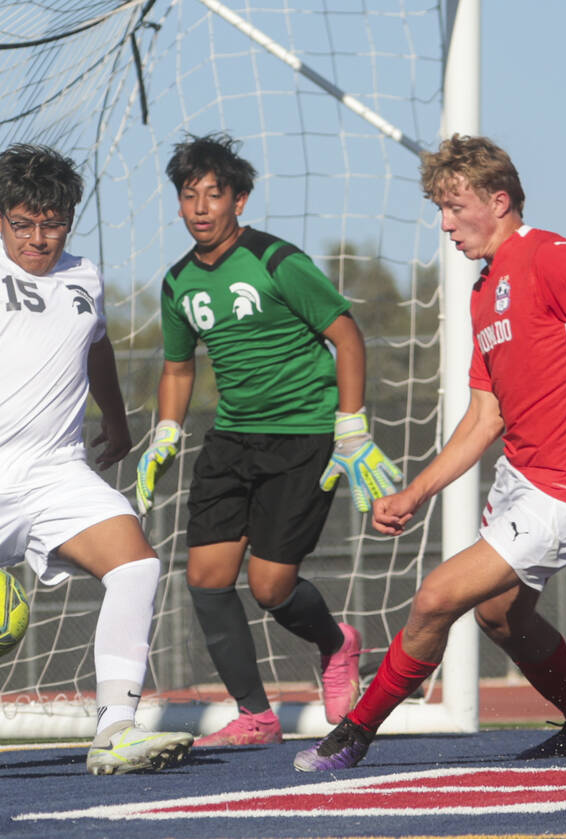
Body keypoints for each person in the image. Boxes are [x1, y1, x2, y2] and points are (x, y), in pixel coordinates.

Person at [294, 134, 566, 772]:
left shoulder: (552, 256)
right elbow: (483, 417)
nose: (444, 224)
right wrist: (415, 492)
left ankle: (354, 734)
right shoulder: (482, 290)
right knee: (499, 616)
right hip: (524, 477)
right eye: (438, 209)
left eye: (453, 207)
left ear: (499, 201)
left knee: (437, 597)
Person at [0, 143, 193, 776]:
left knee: (135, 566)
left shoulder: (83, 276)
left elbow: (96, 344)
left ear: (68, 221)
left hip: (55, 471)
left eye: (52, 224)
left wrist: (113, 414)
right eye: (23, 224)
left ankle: (115, 730)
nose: (38, 238)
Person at [135, 132, 401, 746]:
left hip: (303, 438)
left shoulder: (279, 261)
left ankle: (337, 645)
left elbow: (348, 337)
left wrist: (351, 425)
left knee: (270, 587)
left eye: (214, 194)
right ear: (178, 205)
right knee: (204, 578)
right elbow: (179, 368)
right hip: (230, 441)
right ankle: (255, 715)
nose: (201, 207)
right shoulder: (177, 284)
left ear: (240, 201)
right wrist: (167, 431)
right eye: (189, 195)